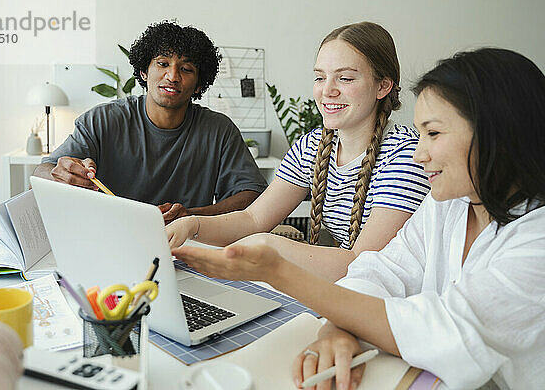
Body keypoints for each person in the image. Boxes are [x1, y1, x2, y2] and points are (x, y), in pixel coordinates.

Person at [172, 48, 545, 390]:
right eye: (320, 77)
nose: (420, 154)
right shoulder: (449, 205)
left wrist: (278, 270)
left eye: (433, 133)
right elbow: (380, 269)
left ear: (498, 131)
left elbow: (446, 327)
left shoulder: (535, 238)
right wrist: (338, 328)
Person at [167, 22, 429, 281]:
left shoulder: (406, 155)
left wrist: (269, 246)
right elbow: (253, 218)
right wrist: (192, 225)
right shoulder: (312, 146)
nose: (327, 90)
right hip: (348, 290)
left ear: (383, 86)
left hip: (395, 300)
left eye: (345, 78)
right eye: (320, 77)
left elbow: (361, 263)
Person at [34, 22, 267, 223]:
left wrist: (193, 218)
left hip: (188, 245)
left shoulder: (218, 130)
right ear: (144, 71)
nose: (172, 76)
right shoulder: (102, 120)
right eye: (163, 63)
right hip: (109, 238)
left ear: (199, 84)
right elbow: (41, 172)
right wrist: (60, 173)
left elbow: (252, 193)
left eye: (186, 69)